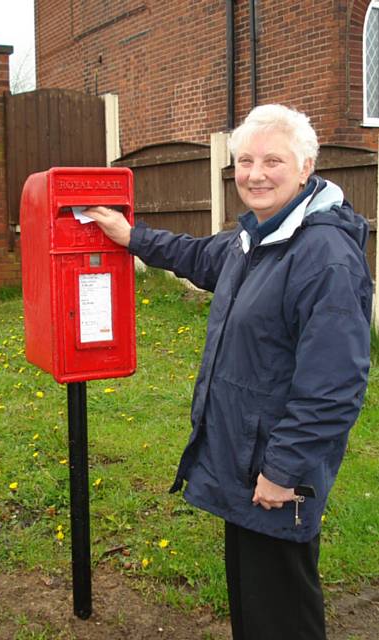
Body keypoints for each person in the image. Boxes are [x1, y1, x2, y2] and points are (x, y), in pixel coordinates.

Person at [85, 104, 372, 640]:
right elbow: (197, 255)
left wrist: (283, 471)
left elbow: (334, 385)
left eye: (272, 161)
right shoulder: (258, 239)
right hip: (245, 460)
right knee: (253, 603)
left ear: (306, 167)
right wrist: (131, 236)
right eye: (244, 161)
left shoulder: (322, 255)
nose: (255, 174)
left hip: (274, 469)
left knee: (282, 613)